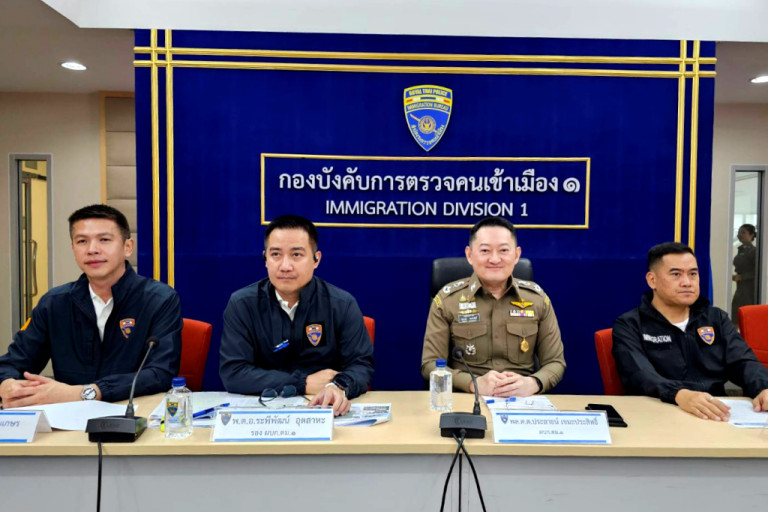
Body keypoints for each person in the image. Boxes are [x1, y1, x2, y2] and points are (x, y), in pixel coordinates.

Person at [0, 204, 182, 408]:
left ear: (127, 247)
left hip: (137, 414)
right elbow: (11, 364)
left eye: (104, 240)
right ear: (73, 248)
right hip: (67, 418)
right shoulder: (54, 303)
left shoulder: (159, 299)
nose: (92, 249)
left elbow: (161, 373)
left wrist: (85, 392)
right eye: (82, 241)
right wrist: (8, 385)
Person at [219, 214, 374, 416]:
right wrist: (303, 383)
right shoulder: (242, 304)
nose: (285, 266)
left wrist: (337, 386)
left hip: (325, 412)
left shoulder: (341, 304)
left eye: (296, 255)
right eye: (276, 254)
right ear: (265, 259)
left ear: (316, 259)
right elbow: (233, 372)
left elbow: (361, 365)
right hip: (262, 416)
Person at [613, 242, 768, 420]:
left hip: (716, 414)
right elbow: (640, 375)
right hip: (657, 415)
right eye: (676, 274)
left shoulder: (715, 318)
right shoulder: (630, 325)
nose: (687, 282)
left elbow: (743, 362)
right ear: (652, 280)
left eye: (693, 274)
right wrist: (679, 394)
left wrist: (763, 387)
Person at [421, 216, 566, 397]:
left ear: (517, 255)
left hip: (522, 402)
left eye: (504, 250)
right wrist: (473, 383)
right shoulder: (447, 301)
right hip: (467, 400)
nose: (495, 259)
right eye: (485, 251)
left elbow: (555, 362)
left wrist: (533, 383)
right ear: (469, 255)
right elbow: (430, 365)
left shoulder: (537, 300)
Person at [732, 223, 758, 322]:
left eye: (743, 232)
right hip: (740, 288)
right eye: (739, 232)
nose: (740, 235)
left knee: (746, 317)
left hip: (749, 290)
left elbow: (757, 272)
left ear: (751, 235)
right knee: (735, 316)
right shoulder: (741, 250)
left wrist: (742, 277)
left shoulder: (754, 251)